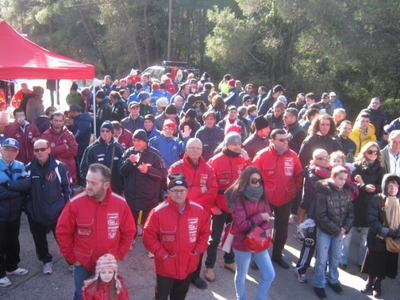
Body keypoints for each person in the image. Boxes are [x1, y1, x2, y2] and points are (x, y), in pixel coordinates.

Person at [56, 163, 135, 300]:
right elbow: (62, 232)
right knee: (81, 295)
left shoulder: (120, 204)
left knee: (108, 296)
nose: (88, 186)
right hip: (83, 264)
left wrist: (119, 254)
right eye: (87, 181)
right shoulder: (75, 203)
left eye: (93, 183)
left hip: (108, 265)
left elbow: (129, 231)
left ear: (106, 184)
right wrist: (72, 259)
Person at [143, 177, 211, 300]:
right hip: (165, 265)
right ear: (168, 192)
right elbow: (148, 237)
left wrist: (197, 250)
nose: (179, 194)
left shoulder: (199, 210)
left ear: (187, 191)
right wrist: (163, 255)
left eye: (182, 190)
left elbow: (205, 232)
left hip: (189, 262)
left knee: (180, 295)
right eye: (175, 191)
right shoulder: (157, 212)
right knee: (161, 295)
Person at [169, 138, 218, 290]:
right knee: (178, 244)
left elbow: (213, 191)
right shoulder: (176, 168)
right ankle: (175, 274)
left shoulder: (208, 169)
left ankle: (194, 276)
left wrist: (191, 193)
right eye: (192, 147)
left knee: (199, 245)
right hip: (179, 214)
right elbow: (176, 193)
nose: (195, 150)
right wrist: (200, 190)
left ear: (202, 151)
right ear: (186, 149)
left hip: (201, 215)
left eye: (198, 148)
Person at [253, 129, 303, 269]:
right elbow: (252, 177)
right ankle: (257, 257)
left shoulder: (293, 156)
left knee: (282, 230)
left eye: (286, 139)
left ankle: (277, 255)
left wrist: (294, 190)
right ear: (272, 140)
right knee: (261, 229)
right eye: (281, 140)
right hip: (265, 199)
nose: (285, 142)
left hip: (285, 198)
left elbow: (298, 176)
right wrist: (257, 196)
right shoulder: (261, 155)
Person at [226, 166, 275, 300]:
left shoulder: (262, 195)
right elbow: (241, 225)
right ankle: (241, 298)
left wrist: (261, 226)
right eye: (254, 180)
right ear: (246, 181)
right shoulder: (237, 198)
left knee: (269, 274)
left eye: (260, 181)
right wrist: (260, 217)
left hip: (259, 241)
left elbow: (268, 217)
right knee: (242, 274)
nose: (257, 184)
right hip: (242, 243)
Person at [205, 132, 247, 281]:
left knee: (232, 235)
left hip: (235, 205)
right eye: (234, 144)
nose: (237, 147)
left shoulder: (242, 160)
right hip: (219, 206)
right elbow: (208, 186)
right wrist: (211, 206)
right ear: (226, 144)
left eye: (239, 144)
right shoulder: (215, 161)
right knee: (214, 238)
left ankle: (229, 261)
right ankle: (209, 266)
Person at [25, 139, 71, 275]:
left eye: (42, 149)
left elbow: (67, 188)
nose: (40, 152)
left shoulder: (59, 167)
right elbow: (23, 192)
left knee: (64, 239)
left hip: (56, 213)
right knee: (39, 240)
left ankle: (71, 261)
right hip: (36, 213)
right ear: (33, 152)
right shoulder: (28, 169)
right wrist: (28, 208)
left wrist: (63, 207)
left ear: (49, 150)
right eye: (36, 150)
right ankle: (46, 261)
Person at [340, 142, 385, 269]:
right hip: (355, 202)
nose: (373, 155)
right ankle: (343, 259)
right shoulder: (356, 166)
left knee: (365, 236)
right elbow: (349, 183)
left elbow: (382, 186)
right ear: (364, 152)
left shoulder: (381, 168)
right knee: (348, 232)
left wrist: (373, 188)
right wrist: (363, 186)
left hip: (371, 205)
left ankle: (362, 261)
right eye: (370, 152)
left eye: (375, 152)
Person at [120, 129, 167, 246]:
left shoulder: (155, 154)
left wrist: (148, 170)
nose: (136, 143)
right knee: (130, 222)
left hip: (149, 196)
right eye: (134, 140)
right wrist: (129, 162)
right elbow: (121, 171)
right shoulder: (128, 153)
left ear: (145, 141)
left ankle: (150, 245)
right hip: (132, 195)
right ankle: (131, 240)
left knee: (149, 223)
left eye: (139, 141)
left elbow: (162, 174)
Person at [313, 166, 354, 299]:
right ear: (333, 177)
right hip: (326, 231)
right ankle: (319, 284)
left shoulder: (345, 191)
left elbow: (350, 212)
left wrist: (345, 228)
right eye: (340, 179)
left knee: (335, 257)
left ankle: (333, 279)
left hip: (340, 231)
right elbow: (321, 215)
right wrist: (337, 230)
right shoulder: (324, 192)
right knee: (322, 259)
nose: (343, 182)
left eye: (344, 179)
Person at [361, 174, 400, 298]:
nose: (393, 188)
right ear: (385, 186)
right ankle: (369, 281)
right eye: (389, 185)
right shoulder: (377, 199)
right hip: (378, 238)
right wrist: (387, 232)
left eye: (395, 185)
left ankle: (378, 283)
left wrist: (397, 233)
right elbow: (372, 220)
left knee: (386, 264)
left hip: (394, 241)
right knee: (373, 262)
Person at [0, 138, 30, 288]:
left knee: (13, 240)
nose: (9, 152)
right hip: (1, 213)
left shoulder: (20, 165)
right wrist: (16, 190)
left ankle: (12, 267)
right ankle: (0, 273)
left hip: (15, 212)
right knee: (1, 243)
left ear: (17, 152)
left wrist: (7, 184)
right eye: (6, 149)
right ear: (1, 149)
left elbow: (26, 184)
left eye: (13, 150)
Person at [80, 121, 124, 195]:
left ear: (112, 133)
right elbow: (84, 168)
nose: (105, 133)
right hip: (97, 189)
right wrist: (90, 184)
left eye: (107, 131)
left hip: (115, 188)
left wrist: (122, 186)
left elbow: (123, 169)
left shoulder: (118, 148)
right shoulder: (92, 149)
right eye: (102, 131)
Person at [41, 111, 78, 182]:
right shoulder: (45, 135)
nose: (58, 123)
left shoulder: (69, 134)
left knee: (69, 190)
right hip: (52, 169)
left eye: (60, 121)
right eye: (56, 120)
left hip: (68, 168)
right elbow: (46, 152)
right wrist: (64, 147)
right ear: (51, 121)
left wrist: (56, 153)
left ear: (63, 122)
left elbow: (74, 150)